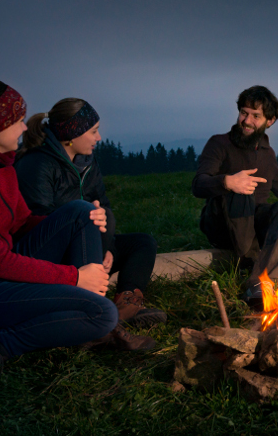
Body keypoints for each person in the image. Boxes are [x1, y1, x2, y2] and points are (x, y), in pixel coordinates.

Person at [0, 79, 146, 404]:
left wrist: (77, 221)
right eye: (17, 121)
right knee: (102, 314)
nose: (26, 126)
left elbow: (23, 222)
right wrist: (75, 277)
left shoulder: (2, 166)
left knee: (81, 210)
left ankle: (86, 313)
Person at [15, 98, 167, 339]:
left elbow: (103, 206)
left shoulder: (87, 163)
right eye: (93, 131)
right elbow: (41, 225)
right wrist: (88, 224)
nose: (98, 138)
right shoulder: (37, 164)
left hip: (90, 248)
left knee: (143, 242)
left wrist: (108, 250)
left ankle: (124, 308)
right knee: (84, 211)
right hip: (55, 258)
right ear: (71, 135)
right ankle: (93, 318)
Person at [192, 85, 278, 310]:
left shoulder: (266, 152)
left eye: (256, 116)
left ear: (270, 121)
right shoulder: (219, 143)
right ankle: (253, 265)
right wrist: (227, 182)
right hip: (221, 223)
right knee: (243, 191)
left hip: (252, 224)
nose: (247, 120)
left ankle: (264, 282)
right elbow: (198, 185)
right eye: (244, 113)